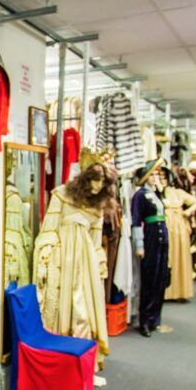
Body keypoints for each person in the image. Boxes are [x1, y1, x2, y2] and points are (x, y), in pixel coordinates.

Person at [32, 147, 118, 363]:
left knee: (82, 307)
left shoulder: (99, 206)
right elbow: (49, 229)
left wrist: (100, 265)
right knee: (58, 303)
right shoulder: (61, 194)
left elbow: (97, 241)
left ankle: (80, 356)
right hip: (61, 258)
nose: (98, 186)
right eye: (95, 179)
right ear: (85, 177)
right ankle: (58, 354)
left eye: (103, 182)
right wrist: (45, 257)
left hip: (85, 262)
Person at [131, 159, 170, 337]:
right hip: (150, 237)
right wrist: (140, 245)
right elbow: (136, 221)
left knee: (160, 278)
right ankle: (145, 319)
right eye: (153, 174)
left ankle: (155, 317)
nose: (156, 177)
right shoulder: (140, 196)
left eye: (157, 174)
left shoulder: (157, 194)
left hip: (162, 237)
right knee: (149, 278)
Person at [158, 167, 196, 301]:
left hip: (178, 228)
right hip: (164, 227)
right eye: (160, 177)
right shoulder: (156, 193)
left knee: (179, 258)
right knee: (167, 258)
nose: (161, 180)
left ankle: (180, 291)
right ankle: (166, 291)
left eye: (164, 177)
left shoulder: (177, 192)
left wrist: (187, 212)